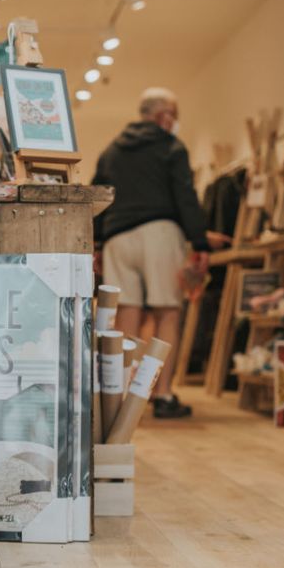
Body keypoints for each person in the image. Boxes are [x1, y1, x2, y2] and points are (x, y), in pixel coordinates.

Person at [92, 87, 210, 419]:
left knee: (127, 315)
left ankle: (126, 395)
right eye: (175, 115)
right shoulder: (171, 146)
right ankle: (163, 394)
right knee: (167, 312)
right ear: (163, 116)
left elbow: (100, 196)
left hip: (118, 238)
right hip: (159, 232)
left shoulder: (111, 151)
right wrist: (199, 243)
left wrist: (98, 243)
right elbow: (185, 195)